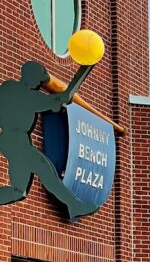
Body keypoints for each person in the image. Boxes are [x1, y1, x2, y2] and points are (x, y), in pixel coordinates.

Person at [0, 62, 95, 219]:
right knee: (45, 169)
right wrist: (57, 100)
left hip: (17, 141)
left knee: (18, 192)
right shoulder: (13, 89)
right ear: (29, 76)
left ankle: (74, 205)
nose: (39, 83)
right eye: (38, 79)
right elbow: (37, 100)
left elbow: (42, 102)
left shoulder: (22, 92)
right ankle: (74, 205)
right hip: (13, 139)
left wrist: (56, 102)